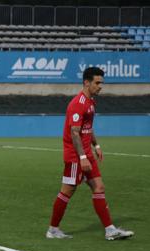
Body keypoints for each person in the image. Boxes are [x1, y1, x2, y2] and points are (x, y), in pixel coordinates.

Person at [46, 67, 134, 241]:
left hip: (86, 154)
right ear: (86, 82)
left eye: (101, 82)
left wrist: (96, 145)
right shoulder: (77, 103)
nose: (100, 86)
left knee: (99, 187)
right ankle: (53, 230)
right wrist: (82, 157)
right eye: (97, 82)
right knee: (67, 192)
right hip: (75, 157)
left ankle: (110, 230)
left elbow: (87, 128)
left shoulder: (90, 102)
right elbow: (75, 132)